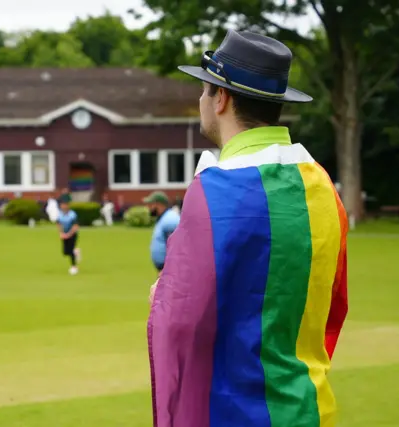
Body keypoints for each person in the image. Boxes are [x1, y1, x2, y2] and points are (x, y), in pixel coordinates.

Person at [147, 30, 349, 427]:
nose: (201, 101)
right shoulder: (323, 187)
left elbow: (182, 322)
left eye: (204, 91)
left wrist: (160, 299)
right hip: (309, 408)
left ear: (220, 98)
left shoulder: (213, 191)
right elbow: (332, 306)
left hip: (234, 414)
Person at [143, 191, 180, 273]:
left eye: (150, 204)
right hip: (164, 270)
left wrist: (167, 270)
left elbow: (175, 248)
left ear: (158, 204)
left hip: (168, 271)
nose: (148, 207)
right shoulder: (163, 217)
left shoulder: (170, 219)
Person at [56, 197, 80, 275]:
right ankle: (76, 252)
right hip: (65, 234)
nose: (63, 206)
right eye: (62, 205)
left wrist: (69, 234)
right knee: (65, 252)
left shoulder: (72, 214)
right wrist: (61, 233)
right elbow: (59, 224)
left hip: (72, 234)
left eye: (65, 205)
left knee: (71, 250)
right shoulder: (60, 214)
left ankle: (74, 267)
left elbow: (75, 226)